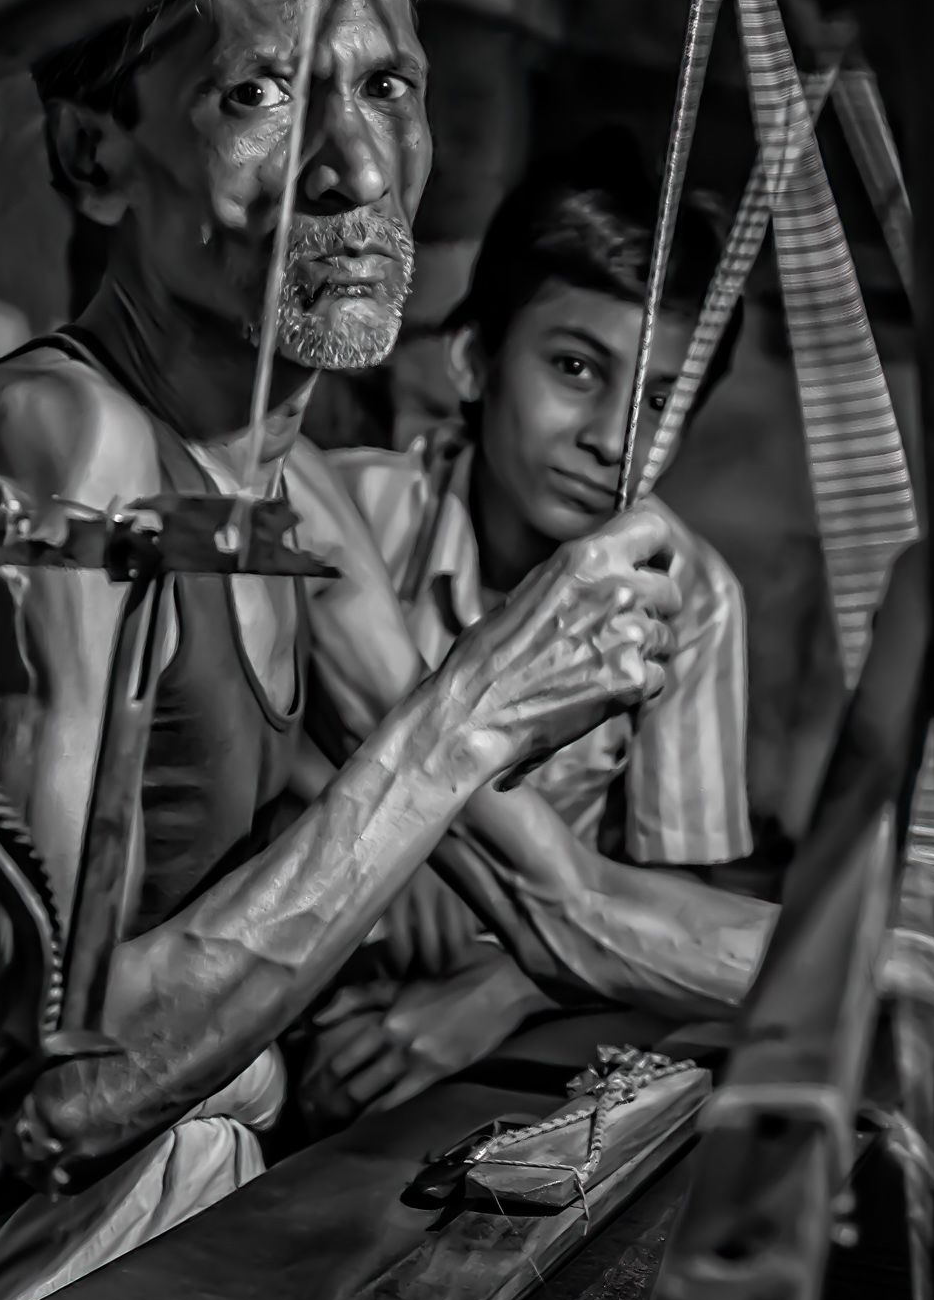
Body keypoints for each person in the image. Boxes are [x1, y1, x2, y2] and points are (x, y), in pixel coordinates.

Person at [0, 0, 934, 1300]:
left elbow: (577, 910)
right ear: (97, 155)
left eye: (388, 87)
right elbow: (41, 1095)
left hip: (176, 1232)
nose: (357, 169)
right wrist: (476, 701)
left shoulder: (286, 505)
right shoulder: (61, 444)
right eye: (259, 97)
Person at [291, 142, 757, 1128]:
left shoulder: (683, 593)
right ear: (471, 359)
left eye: (661, 402)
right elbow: (248, 756)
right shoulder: (352, 512)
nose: (612, 438)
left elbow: (669, 908)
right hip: (292, 993)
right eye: (576, 367)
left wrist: (496, 995)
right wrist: (404, 848)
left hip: (517, 1027)